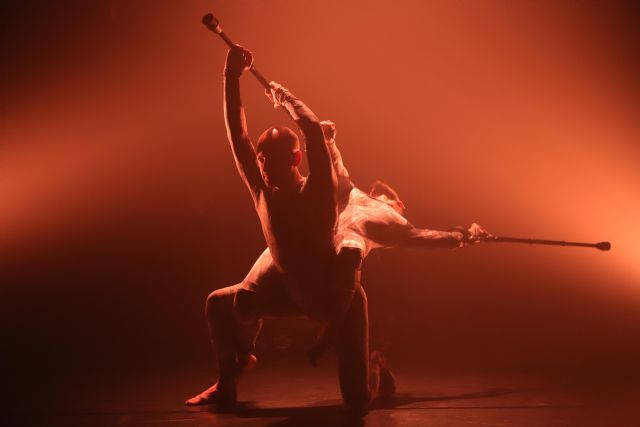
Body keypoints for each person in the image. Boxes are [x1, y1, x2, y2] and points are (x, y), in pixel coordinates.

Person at [186, 45, 382, 415]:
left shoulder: (319, 188)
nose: (263, 167)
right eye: (261, 160)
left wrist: (285, 98)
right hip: (284, 287)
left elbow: (312, 131)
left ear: (295, 159)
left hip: (331, 294)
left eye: (271, 160)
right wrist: (231, 75)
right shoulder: (262, 190)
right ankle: (228, 380)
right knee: (219, 303)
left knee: (357, 402)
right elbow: (237, 136)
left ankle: (374, 367)